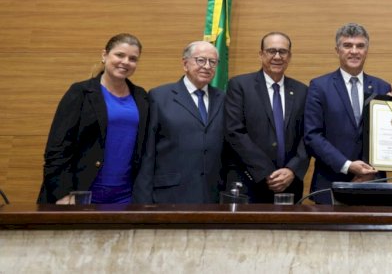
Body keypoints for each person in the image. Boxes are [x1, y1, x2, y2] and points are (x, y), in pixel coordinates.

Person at [38, 33, 149, 204]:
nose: (126, 62)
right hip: (79, 195)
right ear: (104, 55)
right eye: (120, 55)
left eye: (133, 59)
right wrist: (63, 194)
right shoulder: (80, 93)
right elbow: (57, 148)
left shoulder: (141, 97)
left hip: (125, 197)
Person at [304, 23, 392, 204]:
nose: (354, 51)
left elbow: (387, 135)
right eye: (347, 45)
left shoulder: (382, 87)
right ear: (337, 50)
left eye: (360, 46)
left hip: (373, 183)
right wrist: (347, 165)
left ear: (367, 50)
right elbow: (312, 135)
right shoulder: (319, 86)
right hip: (330, 183)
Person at [133, 41, 225, 204]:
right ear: (185, 64)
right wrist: (143, 200)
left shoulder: (223, 99)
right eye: (201, 60)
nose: (207, 66)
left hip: (212, 194)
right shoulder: (159, 97)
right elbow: (148, 151)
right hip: (170, 194)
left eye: (212, 62)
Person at [224, 32, 309, 203]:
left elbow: (308, 136)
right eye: (271, 51)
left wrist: (292, 170)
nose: (277, 56)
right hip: (248, 182)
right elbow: (234, 132)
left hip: (289, 186)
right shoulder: (240, 86)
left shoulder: (302, 91)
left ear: (289, 56)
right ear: (261, 54)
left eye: (283, 52)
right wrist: (266, 172)